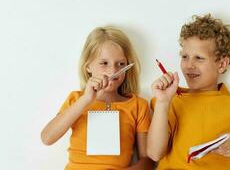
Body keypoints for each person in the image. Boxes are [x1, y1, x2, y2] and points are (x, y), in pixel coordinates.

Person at [147, 14, 230, 170]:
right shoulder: (171, 100)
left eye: (199, 58)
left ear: (222, 64)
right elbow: (154, 154)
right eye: (185, 56)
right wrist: (163, 102)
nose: (189, 65)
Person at [41, 27, 154, 170]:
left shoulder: (138, 105)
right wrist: (86, 100)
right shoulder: (76, 99)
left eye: (121, 64)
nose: (113, 71)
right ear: (88, 66)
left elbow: (148, 161)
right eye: (104, 63)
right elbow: (47, 138)